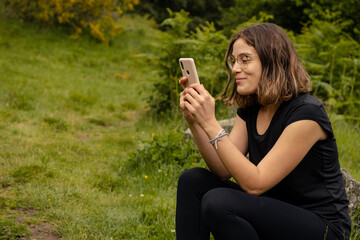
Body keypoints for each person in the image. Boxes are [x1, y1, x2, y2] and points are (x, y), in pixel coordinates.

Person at [176, 23, 351, 240]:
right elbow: (222, 169)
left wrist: (211, 123)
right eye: (234, 61)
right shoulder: (252, 107)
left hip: (321, 227)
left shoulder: (307, 113)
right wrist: (195, 122)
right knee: (193, 180)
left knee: (219, 201)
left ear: (272, 61)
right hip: (272, 210)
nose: (236, 68)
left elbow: (255, 184)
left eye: (245, 59)